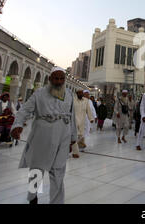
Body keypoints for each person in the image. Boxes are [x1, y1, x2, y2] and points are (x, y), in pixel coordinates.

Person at [10, 67, 77, 204]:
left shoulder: (69, 94)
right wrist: (17, 125)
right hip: (43, 135)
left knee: (58, 172)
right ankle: (33, 198)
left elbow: (72, 118)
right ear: (50, 79)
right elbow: (24, 110)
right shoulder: (39, 94)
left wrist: (72, 139)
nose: (59, 81)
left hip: (63, 136)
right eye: (56, 78)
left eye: (62, 78)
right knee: (37, 169)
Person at [72, 90, 93, 158]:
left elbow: (88, 110)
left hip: (82, 120)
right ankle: (75, 152)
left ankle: (80, 145)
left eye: (81, 93)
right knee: (75, 135)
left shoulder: (86, 100)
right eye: (79, 93)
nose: (80, 94)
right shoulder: (73, 100)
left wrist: (91, 118)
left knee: (81, 134)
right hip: (74, 120)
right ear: (77, 93)